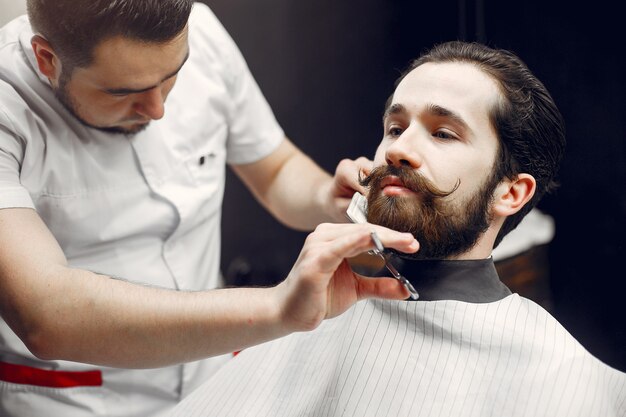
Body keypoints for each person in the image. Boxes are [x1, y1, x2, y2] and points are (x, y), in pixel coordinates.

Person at [0, 1, 418, 416]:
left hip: (213, 379)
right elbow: (45, 314)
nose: (158, 110)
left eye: (171, 77)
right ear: (47, 59)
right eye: (123, 91)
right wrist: (277, 308)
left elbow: (275, 173)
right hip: (76, 397)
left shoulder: (203, 32)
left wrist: (325, 198)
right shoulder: (7, 104)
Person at [169, 41, 626, 417]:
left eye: (443, 133)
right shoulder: (310, 319)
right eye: (395, 126)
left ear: (510, 193)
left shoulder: (568, 382)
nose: (399, 149)